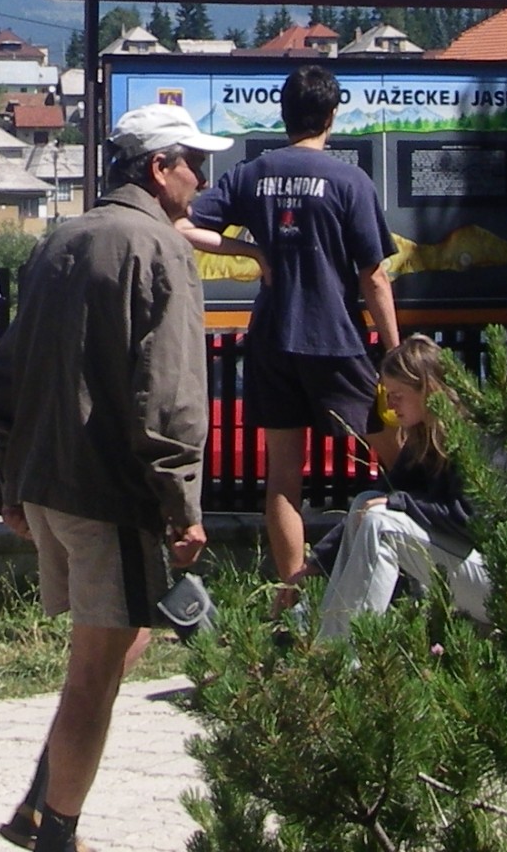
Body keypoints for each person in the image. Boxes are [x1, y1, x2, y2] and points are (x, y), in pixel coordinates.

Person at [0, 103, 218, 852]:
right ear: (159, 168)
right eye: (193, 163)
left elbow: (9, 372)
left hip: (49, 485)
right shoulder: (160, 247)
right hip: (107, 490)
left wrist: (13, 481)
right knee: (94, 672)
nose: (203, 178)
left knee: (121, 637)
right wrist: (182, 506)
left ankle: (39, 803)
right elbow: (169, 395)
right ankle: (57, 831)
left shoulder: (61, 238)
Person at [177, 62, 402, 600]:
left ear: (284, 115)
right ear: (331, 115)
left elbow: (182, 224)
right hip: (335, 339)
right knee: (402, 463)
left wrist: (252, 250)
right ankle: (407, 577)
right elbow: (373, 276)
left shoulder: (252, 173)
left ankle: (291, 595)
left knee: (283, 477)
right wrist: (395, 353)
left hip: (273, 339)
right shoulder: (349, 180)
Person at [313, 336, 489, 640]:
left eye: (397, 395)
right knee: (368, 501)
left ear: (427, 390)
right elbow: (383, 495)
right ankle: (328, 644)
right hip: (466, 566)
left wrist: (401, 503)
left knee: (381, 524)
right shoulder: (423, 440)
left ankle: (348, 652)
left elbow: (469, 519)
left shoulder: (471, 439)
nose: (390, 404)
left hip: (504, 580)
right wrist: (316, 562)